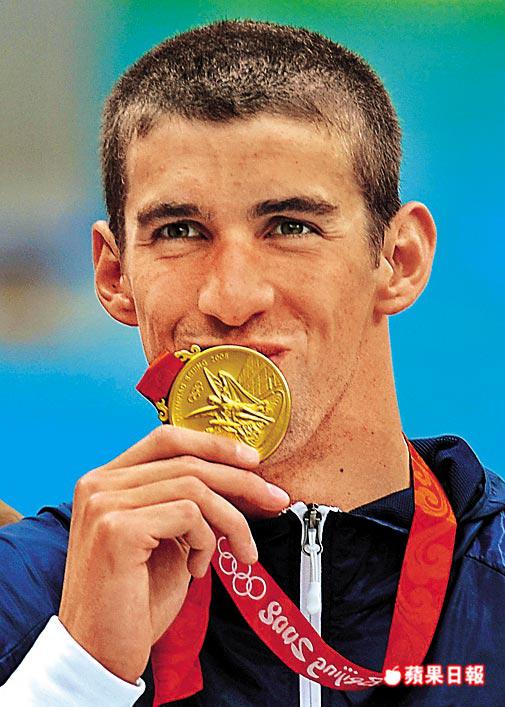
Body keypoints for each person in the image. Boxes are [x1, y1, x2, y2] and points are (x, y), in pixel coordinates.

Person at [0, 19, 503, 706]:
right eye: (179, 231)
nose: (232, 298)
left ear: (399, 260)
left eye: (291, 227)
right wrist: (77, 673)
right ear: (115, 275)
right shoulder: (30, 590)